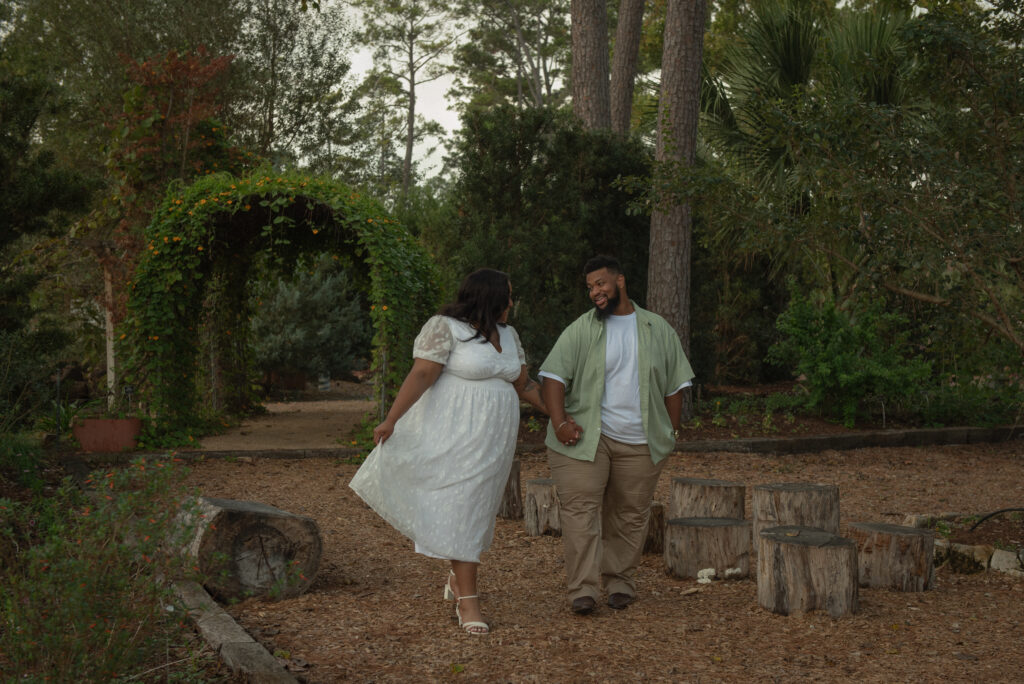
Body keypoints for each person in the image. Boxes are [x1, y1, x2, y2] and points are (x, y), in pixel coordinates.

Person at [349, 268, 550, 635]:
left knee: (476, 508)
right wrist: (391, 420)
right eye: (507, 294)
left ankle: (459, 580)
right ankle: (468, 601)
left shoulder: (509, 334)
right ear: (488, 297)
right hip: (455, 433)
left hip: (494, 441)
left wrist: (560, 416)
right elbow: (422, 374)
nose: (511, 301)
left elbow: (524, 385)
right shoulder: (447, 327)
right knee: (463, 507)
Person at [539, 255, 694, 615]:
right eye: (590, 287)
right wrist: (560, 423)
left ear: (620, 282)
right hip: (585, 439)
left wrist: (670, 430)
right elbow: (553, 377)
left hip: (640, 440)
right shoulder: (581, 329)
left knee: (630, 514)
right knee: (580, 512)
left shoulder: (657, 328)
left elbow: (675, 385)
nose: (595, 292)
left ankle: (620, 582)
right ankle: (583, 590)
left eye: (600, 284)